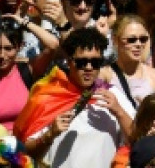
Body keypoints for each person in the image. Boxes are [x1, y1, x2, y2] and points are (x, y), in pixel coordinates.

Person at [19, 27, 136, 166]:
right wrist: (49, 135)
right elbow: (25, 152)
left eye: (95, 62)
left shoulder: (113, 95)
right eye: (81, 62)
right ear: (68, 61)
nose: (88, 67)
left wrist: (120, 113)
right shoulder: (48, 96)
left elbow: (138, 141)